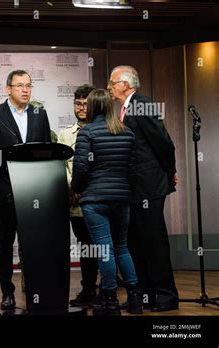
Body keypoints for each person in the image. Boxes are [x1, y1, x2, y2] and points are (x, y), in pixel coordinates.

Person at [108, 65, 179, 312]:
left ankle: (167, 297)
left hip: (149, 187)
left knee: (153, 243)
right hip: (134, 190)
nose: (109, 87)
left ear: (126, 84)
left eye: (112, 82)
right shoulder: (127, 108)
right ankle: (146, 296)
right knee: (135, 243)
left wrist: (170, 172)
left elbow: (163, 142)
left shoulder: (142, 103)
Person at [72, 88, 142, 316]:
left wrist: (76, 190)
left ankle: (110, 301)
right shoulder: (127, 132)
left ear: (92, 107)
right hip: (122, 199)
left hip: (95, 200)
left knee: (105, 250)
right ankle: (135, 299)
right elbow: (133, 169)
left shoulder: (87, 133)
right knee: (122, 247)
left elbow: (81, 169)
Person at [0, 70, 51, 310]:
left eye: (29, 85)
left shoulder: (39, 114)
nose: (25, 90)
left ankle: (36, 289)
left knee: (34, 244)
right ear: (8, 89)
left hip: (34, 192)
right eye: (20, 85)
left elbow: (46, 150)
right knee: (5, 245)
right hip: (5, 192)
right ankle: (7, 292)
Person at [58, 84, 100, 308]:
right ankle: (88, 288)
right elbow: (62, 167)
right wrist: (72, 188)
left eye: (85, 104)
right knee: (87, 248)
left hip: (100, 201)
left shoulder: (105, 129)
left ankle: (108, 289)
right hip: (76, 203)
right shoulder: (66, 134)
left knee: (104, 246)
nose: (81, 108)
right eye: (77, 104)